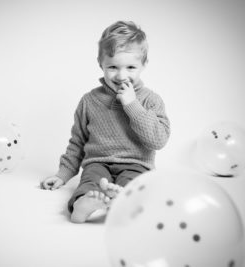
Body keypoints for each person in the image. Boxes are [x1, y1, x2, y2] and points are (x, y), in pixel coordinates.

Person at [40, 21, 170, 223]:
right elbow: (78, 142)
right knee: (91, 182)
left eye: (131, 67)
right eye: (113, 67)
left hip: (136, 165)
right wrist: (62, 175)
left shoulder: (150, 100)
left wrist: (132, 105)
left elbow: (158, 140)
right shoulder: (89, 101)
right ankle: (84, 204)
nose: (121, 75)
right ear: (101, 63)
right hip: (98, 163)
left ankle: (123, 203)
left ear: (144, 65)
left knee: (133, 186)